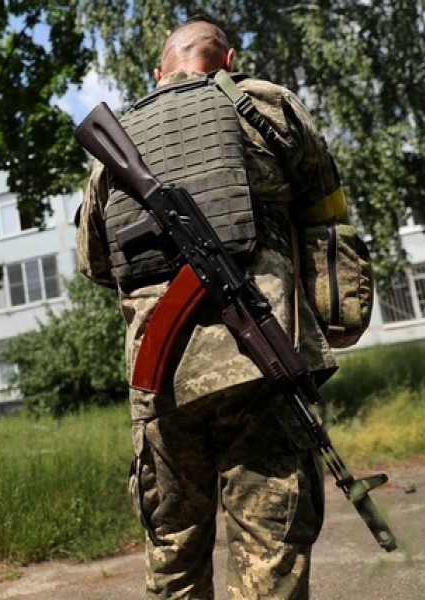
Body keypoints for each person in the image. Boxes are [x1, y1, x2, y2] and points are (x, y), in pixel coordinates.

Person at [76, 15, 351, 600]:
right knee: (268, 555)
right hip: (262, 371)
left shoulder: (115, 145)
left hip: (162, 386)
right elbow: (328, 219)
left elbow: (95, 264)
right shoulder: (267, 108)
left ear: (159, 73)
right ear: (227, 61)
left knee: (173, 556)